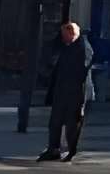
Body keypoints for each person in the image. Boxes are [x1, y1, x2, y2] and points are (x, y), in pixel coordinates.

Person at [39, 18, 94, 162]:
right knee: (55, 121)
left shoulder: (83, 47)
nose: (63, 39)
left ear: (72, 33)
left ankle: (70, 150)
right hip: (62, 90)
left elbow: (83, 71)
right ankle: (54, 149)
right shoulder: (67, 46)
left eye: (65, 35)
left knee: (72, 123)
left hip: (75, 92)